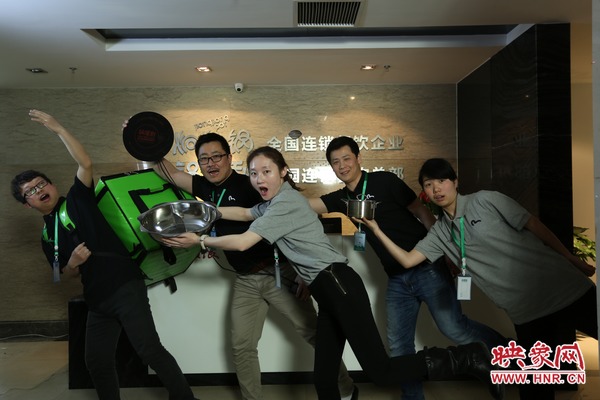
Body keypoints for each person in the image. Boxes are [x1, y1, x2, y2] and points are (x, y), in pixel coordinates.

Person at [161, 146, 504, 400]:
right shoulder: (273, 203)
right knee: (324, 378)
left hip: (338, 285)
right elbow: (247, 212)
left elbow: (243, 241)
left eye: (266, 171)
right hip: (327, 291)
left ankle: (467, 357)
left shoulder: (285, 204)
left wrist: (199, 239)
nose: (259, 178)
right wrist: (208, 210)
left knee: (380, 370)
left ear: (283, 172)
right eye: (253, 173)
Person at [357, 157, 597, 400]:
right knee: (535, 385)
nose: (436, 189)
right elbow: (408, 260)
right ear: (424, 193)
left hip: (562, 288)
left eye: (442, 181)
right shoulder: (440, 232)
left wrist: (571, 258)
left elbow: (532, 224)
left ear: (455, 182)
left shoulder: (485, 200)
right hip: (526, 313)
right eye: (428, 185)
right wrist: (376, 230)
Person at [152, 133, 356, 400]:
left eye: (216, 156)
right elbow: (171, 173)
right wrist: (146, 142)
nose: (211, 163)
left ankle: (346, 389)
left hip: (279, 273)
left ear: (229, 158)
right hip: (245, 279)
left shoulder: (251, 185)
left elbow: (300, 223)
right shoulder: (203, 186)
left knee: (315, 335)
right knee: (242, 346)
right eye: (204, 159)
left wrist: (303, 275)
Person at [11, 110, 198, 400]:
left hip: (125, 285)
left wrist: (58, 128)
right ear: (27, 204)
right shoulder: (48, 236)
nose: (39, 190)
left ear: (51, 185)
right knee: (96, 361)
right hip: (97, 300)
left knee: (149, 350)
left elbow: (85, 163)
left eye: (40, 184)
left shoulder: (77, 200)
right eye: (30, 191)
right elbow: (61, 275)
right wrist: (72, 264)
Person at [308, 136, 507, 400]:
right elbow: (306, 205)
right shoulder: (342, 198)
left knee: (454, 328)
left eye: (346, 158)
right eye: (336, 162)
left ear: (358, 158)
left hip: (427, 268)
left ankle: (510, 354)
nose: (342, 165)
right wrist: (275, 191)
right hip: (397, 279)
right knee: (399, 346)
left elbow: (422, 212)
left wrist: (445, 253)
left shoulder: (385, 181)